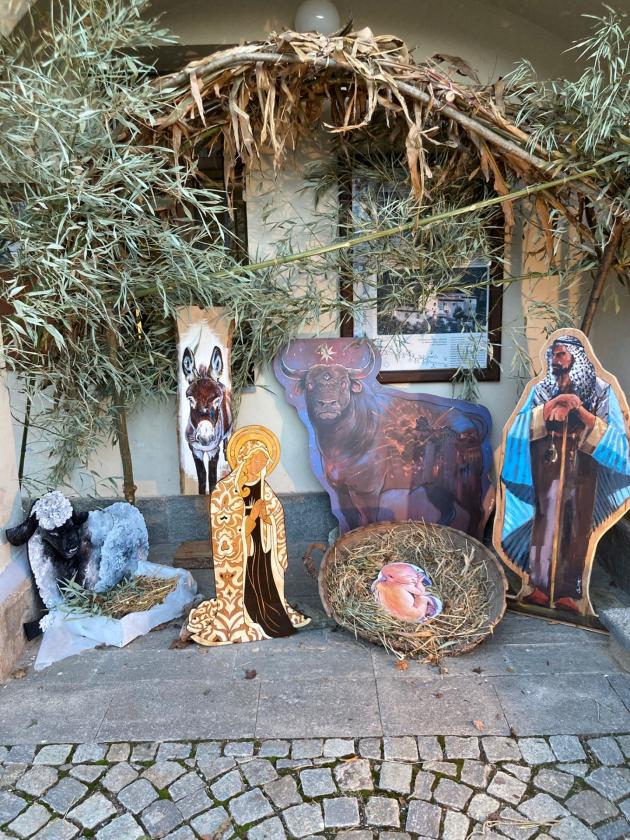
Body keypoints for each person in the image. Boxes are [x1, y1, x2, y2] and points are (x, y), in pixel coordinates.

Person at [498, 333, 630, 614]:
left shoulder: (601, 389)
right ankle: (538, 586)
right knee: (543, 520)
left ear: (576, 357)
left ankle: (570, 592)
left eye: (561, 355)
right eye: (553, 356)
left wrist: (577, 408)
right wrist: (549, 407)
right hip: (546, 463)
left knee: (578, 522)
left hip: (584, 466)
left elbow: (616, 439)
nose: (555, 361)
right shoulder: (541, 389)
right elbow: (518, 428)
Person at [187, 425, 310, 645]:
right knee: (247, 581)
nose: (260, 466)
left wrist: (266, 517)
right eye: (257, 461)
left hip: (262, 546)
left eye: (264, 463)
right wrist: (251, 517)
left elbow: (275, 515)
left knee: (263, 579)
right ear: (246, 460)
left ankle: (267, 613)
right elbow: (223, 523)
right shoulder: (225, 490)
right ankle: (244, 614)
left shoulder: (264, 488)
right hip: (240, 550)